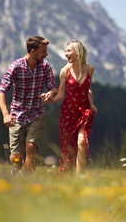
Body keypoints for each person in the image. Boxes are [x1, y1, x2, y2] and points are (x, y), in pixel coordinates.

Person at [0, 36, 57, 173]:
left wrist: (50, 94)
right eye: (43, 51)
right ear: (33, 51)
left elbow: (53, 87)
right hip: (17, 115)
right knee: (16, 157)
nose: (46, 54)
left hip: (37, 113)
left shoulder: (46, 66)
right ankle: (16, 171)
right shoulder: (16, 66)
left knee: (31, 147)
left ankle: (28, 180)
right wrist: (6, 114)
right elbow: (1, 90)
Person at [44, 40, 97, 175]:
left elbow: (89, 89)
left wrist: (91, 103)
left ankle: (80, 177)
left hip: (84, 110)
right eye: (65, 50)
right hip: (68, 112)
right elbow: (61, 94)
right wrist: (50, 100)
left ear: (78, 51)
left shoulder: (90, 69)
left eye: (69, 50)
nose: (66, 53)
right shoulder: (65, 71)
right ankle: (67, 176)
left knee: (82, 143)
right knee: (68, 149)